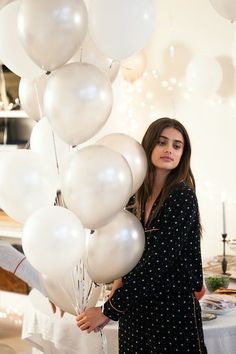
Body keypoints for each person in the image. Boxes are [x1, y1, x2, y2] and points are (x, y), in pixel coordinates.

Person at [76, 117, 207, 353]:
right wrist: (116, 289)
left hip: (171, 313)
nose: (169, 149)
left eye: (177, 146)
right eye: (162, 142)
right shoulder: (132, 196)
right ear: (148, 146)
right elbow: (122, 252)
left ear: (182, 154)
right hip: (135, 312)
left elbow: (158, 262)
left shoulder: (182, 197)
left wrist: (109, 310)